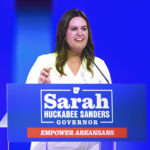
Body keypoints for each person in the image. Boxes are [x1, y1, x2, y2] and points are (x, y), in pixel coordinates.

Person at [26, 9, 111, 150]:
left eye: (84, 29)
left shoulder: (98, 65)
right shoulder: (44, 62)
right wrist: (40, 88)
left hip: (89, 146)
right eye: (74, 29)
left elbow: (111, 107)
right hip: (50, 146)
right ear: (64, 33)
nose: (80, 33)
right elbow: (25, 105)